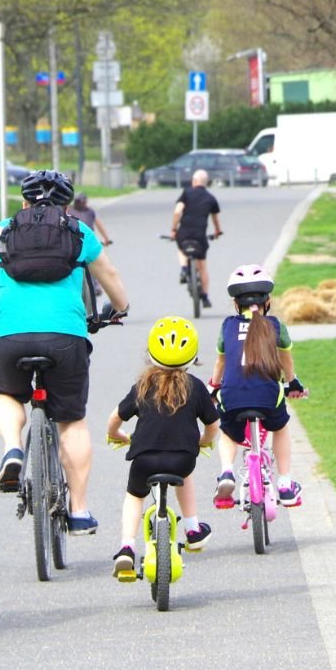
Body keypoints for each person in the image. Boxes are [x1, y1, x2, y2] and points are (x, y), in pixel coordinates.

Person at [0, 169, 129, 536]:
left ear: (24, 201)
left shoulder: (3, 231)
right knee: (71, 419)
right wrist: (121, 308)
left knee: (6, 395)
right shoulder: (77, 231)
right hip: (65, 336)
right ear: (66, 205)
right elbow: (109, 276)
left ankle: (12, 448)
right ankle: (80, 511)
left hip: (9, 335)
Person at [105, 316, 219, 580]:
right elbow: (213, 424)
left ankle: (126, 548)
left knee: (135, 496)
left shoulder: (143, 386)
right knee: (185, 475)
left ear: (151, 354)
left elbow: (114, 419)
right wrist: (203, 441)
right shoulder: (197, 387)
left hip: (144, 459)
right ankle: (192, 529)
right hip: (182, 459)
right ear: (193, 357)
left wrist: (117, 435)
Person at [208, 264, 309, 508]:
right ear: (268, 301)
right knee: (281, 426)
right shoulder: (275, 326)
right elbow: (286, 359)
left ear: (236, 304)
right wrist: (292, 381)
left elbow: (221, 360)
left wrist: (214, 386)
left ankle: (227, 472)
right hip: (267, 395)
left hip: (232, 395)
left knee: (229, 432)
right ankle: (284, 483)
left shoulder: (227, 326)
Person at [170, 168, 223, 308]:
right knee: (203, 266)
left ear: (194, 181)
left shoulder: (186, 193)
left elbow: (177, 212)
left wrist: (173, 229)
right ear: (206, 183)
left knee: (181, 248)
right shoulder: (211, 198)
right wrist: (218, 231)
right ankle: (205, 297)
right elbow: (215, 220)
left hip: (184, 233)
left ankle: (183, 269)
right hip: (200, 236)